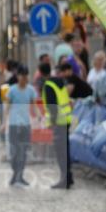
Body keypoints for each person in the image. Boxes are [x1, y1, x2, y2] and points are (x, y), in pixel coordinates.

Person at [39, 59, 73, 189]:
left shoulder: (48, 86)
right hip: (66, 119)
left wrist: (52, 122)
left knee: (60, 152)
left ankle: (64, 179)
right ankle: (69, 178)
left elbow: (52, 106)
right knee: (66, 150)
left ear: (41, 73)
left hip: (58, 122)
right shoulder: (59, 82)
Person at [3, 65, 38, 187]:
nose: (23, 78)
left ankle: (19, 176)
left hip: (25, 124)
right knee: (14, 152)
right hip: (13, 124)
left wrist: (39, 117)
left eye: (25, 76)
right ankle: (16, 174)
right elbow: (7, 107)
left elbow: (34, 106)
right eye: (21, 76)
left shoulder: (31, 90)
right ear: (18, 76)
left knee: (23, 152)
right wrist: (4, 123)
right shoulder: (11, 90)